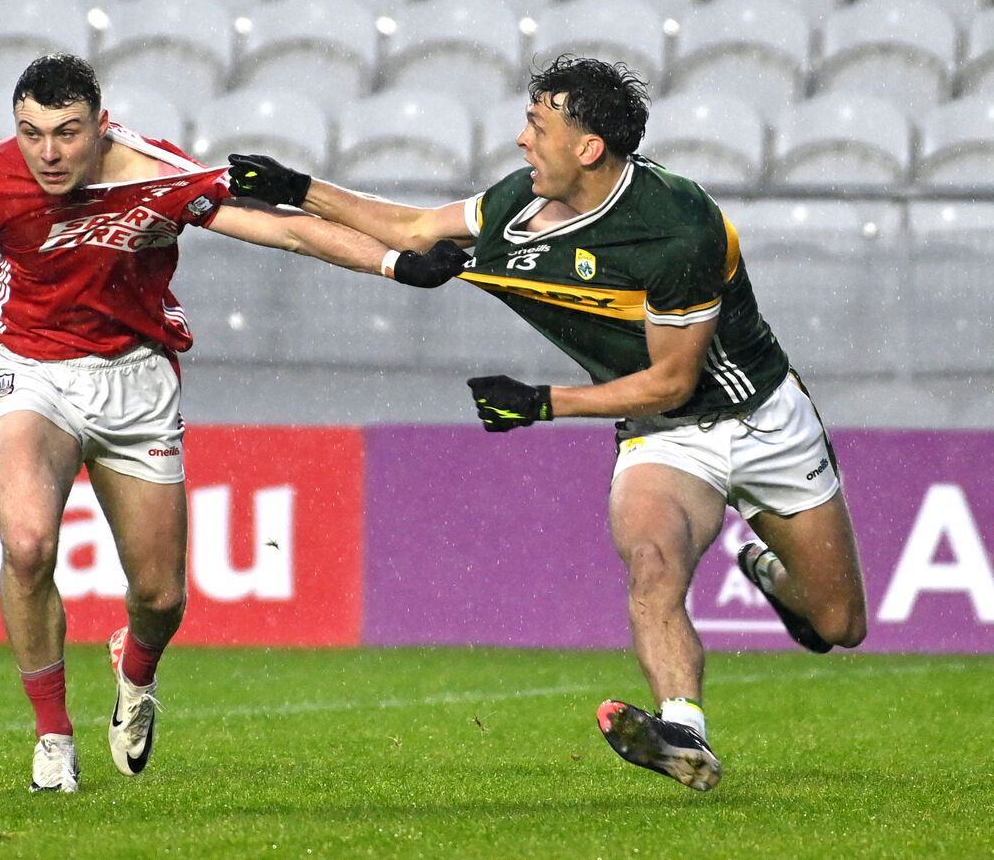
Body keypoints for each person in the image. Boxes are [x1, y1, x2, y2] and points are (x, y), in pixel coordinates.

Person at [226, 55, 869, 792]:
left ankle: (767, 572)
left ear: (588, 147)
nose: (522, 139)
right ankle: (684, 732)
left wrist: (542, 403)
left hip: (761, 422)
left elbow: (674, 379)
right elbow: (413, 226)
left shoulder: (678, 227)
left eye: (537, 126)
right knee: (653, 564)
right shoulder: (517, 203)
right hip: (662, 436)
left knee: (839, 623)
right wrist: (296, 188)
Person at [0, 53, 465, 794]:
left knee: (160, 598)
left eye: (67, 132)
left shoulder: (158, 175)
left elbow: (288, 232)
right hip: (33, 370)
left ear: (100, 125)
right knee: (26, 546)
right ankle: (53, 736)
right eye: (31, 133)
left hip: (136, 378)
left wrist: (397, 264)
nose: (48, 153)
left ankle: (137, 668)